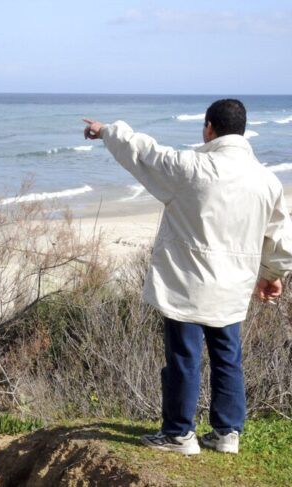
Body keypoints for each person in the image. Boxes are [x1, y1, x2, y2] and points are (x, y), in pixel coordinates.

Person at [83, 99, 292, 455]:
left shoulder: (191, 168)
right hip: (233, 285)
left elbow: (144, 153)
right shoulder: (266, 181)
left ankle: (179, 433)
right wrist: (273, 274)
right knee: (228, 357)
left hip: (189, 282)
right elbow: (278, 236)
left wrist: (107, 131)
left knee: (184, 355)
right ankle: (227, 434)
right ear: (242, 130)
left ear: (209, 127)